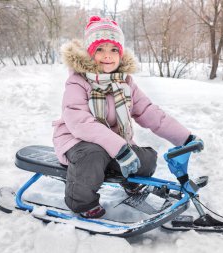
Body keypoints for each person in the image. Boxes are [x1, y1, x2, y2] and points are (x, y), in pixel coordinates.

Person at [52, 16, 203, 219]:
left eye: (114, 49)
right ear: (89, 53)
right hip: (78, 141)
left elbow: (150, 112)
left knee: (147, 159)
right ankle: (81, 202)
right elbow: (80, 123)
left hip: (115, 144)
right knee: (93, 155)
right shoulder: (78, 82)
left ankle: (130, 181)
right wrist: (120, 149)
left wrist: (185, 138)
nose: (108, 56)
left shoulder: (125, 84)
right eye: (100, 49)